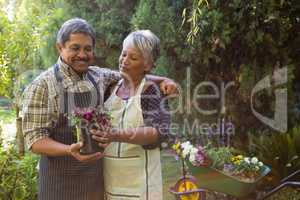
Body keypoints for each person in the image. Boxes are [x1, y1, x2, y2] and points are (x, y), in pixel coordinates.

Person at [22, 18, 176, 200]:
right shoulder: (42, 86)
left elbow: (131, 74)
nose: (82, 54)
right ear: (59, 47)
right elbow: (35, 140)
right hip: (60, 186)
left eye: (87, 49)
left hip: (96, 186)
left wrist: (164, 80)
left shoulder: (98, 76)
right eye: (75, 48)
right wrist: (69, 150)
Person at [92, 30, 171, 200]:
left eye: (133, 58)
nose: (124, 61)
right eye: (123, 54)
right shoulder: (110, 87)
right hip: (110, 181)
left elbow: (157, 132)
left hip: (142, 185)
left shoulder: (152, 91)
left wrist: (115, 135)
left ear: (147, 65)